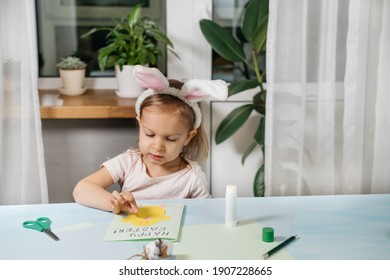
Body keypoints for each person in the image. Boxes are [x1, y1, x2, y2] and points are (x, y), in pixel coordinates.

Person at [73, 65, 228, 214]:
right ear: (140, 125)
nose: (158, 146)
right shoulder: (128, 163)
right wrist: (115, 203)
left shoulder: (193, 177)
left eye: (171, 139)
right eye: (150, 134)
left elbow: (206, 214)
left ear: (188, 137)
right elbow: (82, 189)